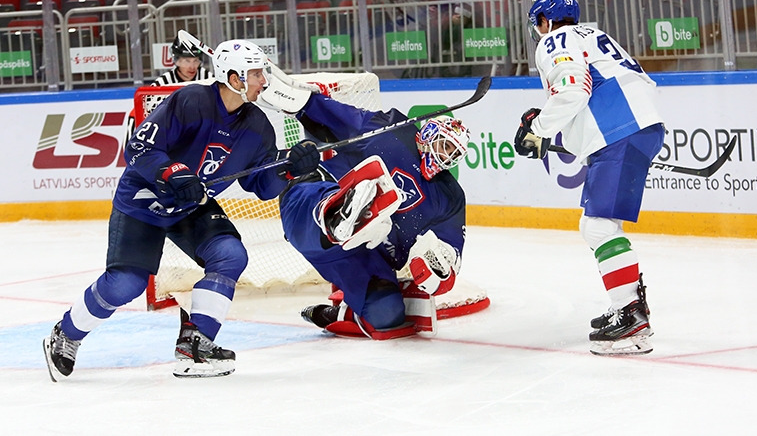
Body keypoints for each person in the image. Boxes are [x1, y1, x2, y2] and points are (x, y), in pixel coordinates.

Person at [43, 39, 321, 380]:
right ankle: (67, 333)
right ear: (234, 78)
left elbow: (261, 185)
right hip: (144, 200)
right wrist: (173, 172)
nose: (263, 80)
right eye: (256, 73)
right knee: (125, 285)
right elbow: (141, 147)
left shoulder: (257, 124)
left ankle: (196, 345)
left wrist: (290, 168)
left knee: (230, 255)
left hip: (192, 204)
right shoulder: (190, 100)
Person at [514, 0, 664, 356]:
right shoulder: (595, 36)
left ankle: (630, 315)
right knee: (598, 225)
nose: (538, 31)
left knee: (598, 226)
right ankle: (625, 306)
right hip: (638, 126)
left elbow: (572, 91)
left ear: (544, 21)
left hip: (618, 130)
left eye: (538, 24)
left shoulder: (554, 40)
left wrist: (540, 130)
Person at [260, 80, 470, 339]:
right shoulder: (393, 130)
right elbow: (330, 112)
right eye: (444, 144)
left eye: (453, 152)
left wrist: (438, 273)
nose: (446, 155)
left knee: (387, 314)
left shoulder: (450, 196)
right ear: (428, 134)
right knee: (328, 201)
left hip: (361, 255)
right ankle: (338, 212)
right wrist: (277, 89)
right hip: (309, 209)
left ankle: (332, 313)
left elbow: (451, 253)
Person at [426, 0, 474, 77]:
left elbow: (461, 19)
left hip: (466, 28)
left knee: (458, 30)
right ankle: (435, 72)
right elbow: (432, 18)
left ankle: (463, 72)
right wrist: (447, 19)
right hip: (443, 29)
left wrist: (443, 20)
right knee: (429, 32)